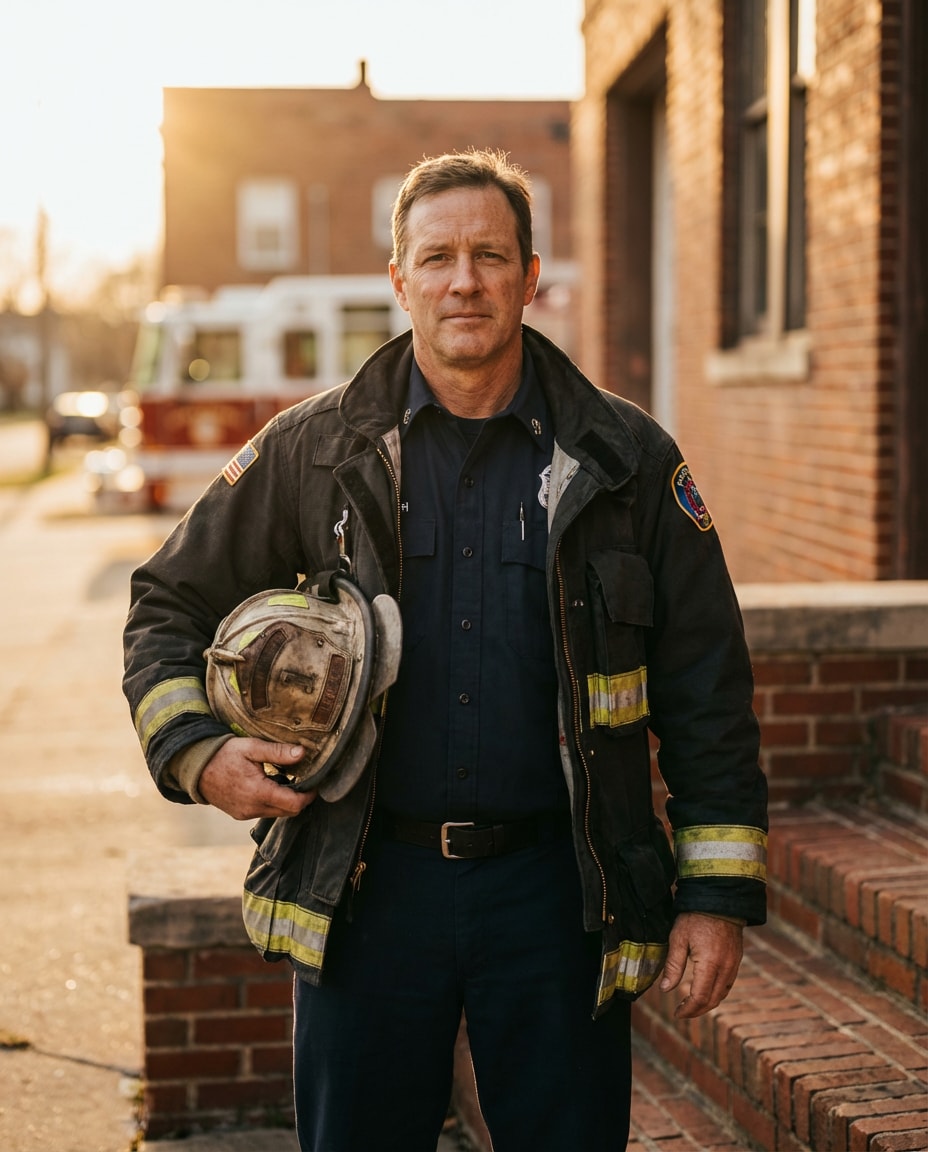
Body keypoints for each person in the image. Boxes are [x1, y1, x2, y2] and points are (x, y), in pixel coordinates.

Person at [124, 148, 768, 1152]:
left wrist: (715, 897)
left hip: (559, 899)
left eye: (489, 256)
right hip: (366, 888)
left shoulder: (628, 461)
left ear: (530, 276)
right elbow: (165, 601)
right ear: (400, 280)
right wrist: (199, 754)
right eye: (437, 259)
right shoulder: (312, 449)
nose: (463, 281)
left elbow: (707, 688)